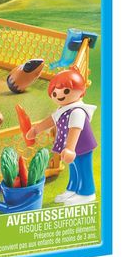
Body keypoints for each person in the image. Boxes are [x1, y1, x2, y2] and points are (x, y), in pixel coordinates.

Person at [26, 67, 97, 205]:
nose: (59, 95)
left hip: (81, 146)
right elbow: (51, 120)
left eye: (66, 91)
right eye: (54, 93)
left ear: (81, 92)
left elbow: (75, 130)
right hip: (70, 148)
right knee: (74, 168)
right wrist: (36, 129)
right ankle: (73, 189)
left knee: (83, 168)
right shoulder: (63, 109)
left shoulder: (77, 111)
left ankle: (87, 193)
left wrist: (70, 148)